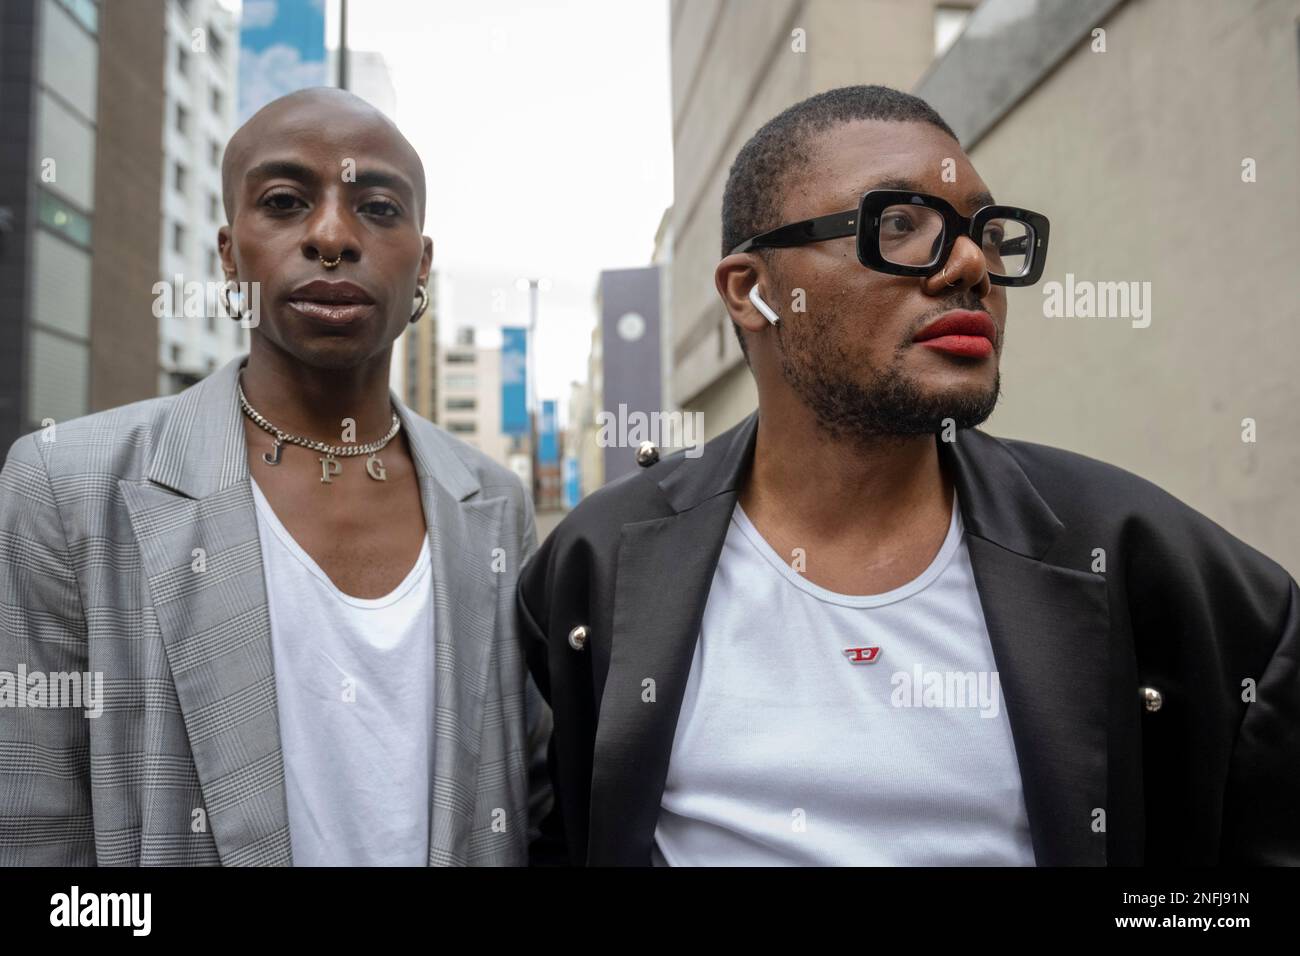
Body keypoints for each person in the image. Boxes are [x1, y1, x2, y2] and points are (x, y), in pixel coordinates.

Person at [517, 85, 1299, 866]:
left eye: (986, 234)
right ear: (751, 292)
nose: (970, 267)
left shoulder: (1143, 558)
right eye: (898, 225)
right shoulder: (602, 562)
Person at [0, 88, 548, 866]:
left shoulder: (494, 505)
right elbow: (32, 834)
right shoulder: (64, 486)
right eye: (286, 202)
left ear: (422, 265)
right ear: (230, 254)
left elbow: (528, 795)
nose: (331, 235)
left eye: (379, 208)